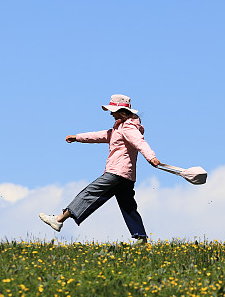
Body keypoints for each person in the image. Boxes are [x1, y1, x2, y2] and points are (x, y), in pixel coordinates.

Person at [39, 94, 160, 244]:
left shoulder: (128, 128)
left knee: (90, 192)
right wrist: (78, 137)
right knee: (128, 206)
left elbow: (140, 143)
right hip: (127, 176)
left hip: (117, 173)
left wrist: (151, 157)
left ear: (122, 112)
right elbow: (99, 135)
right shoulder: (119, 128)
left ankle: (59, 219)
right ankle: (141, 238)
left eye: (113, 111)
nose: (110, 113)